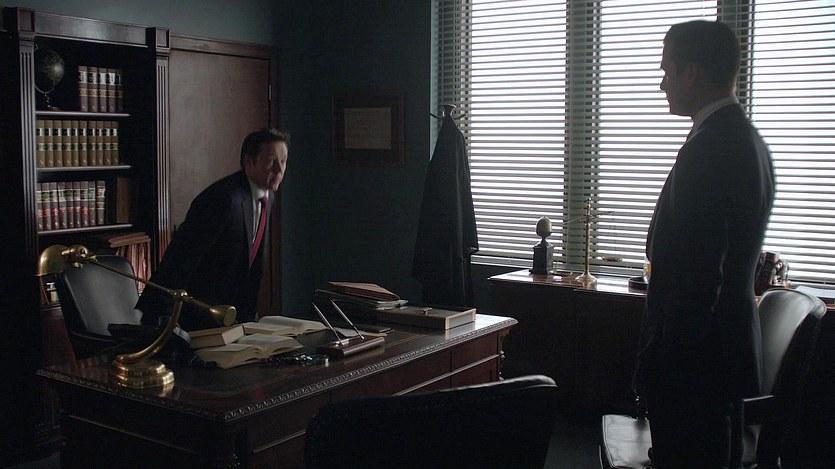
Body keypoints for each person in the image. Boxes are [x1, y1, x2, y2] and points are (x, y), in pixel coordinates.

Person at [633, 21, 775, 468]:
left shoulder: (708, 149)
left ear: (691, 72)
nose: (662, 84)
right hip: (724, 357)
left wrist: (663, 368)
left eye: (667, 70)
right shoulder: (749, 141)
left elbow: (697, 278)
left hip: (696, 371)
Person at [136, 128, 289, 331]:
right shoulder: (222, 199)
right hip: (191, 314)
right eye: (270, 161)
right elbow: (180, 260)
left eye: (283, 161)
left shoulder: (268, 196)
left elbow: (250, 268)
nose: (279, 170)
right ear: (248, 162)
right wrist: (165, 321)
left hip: (230, 317)